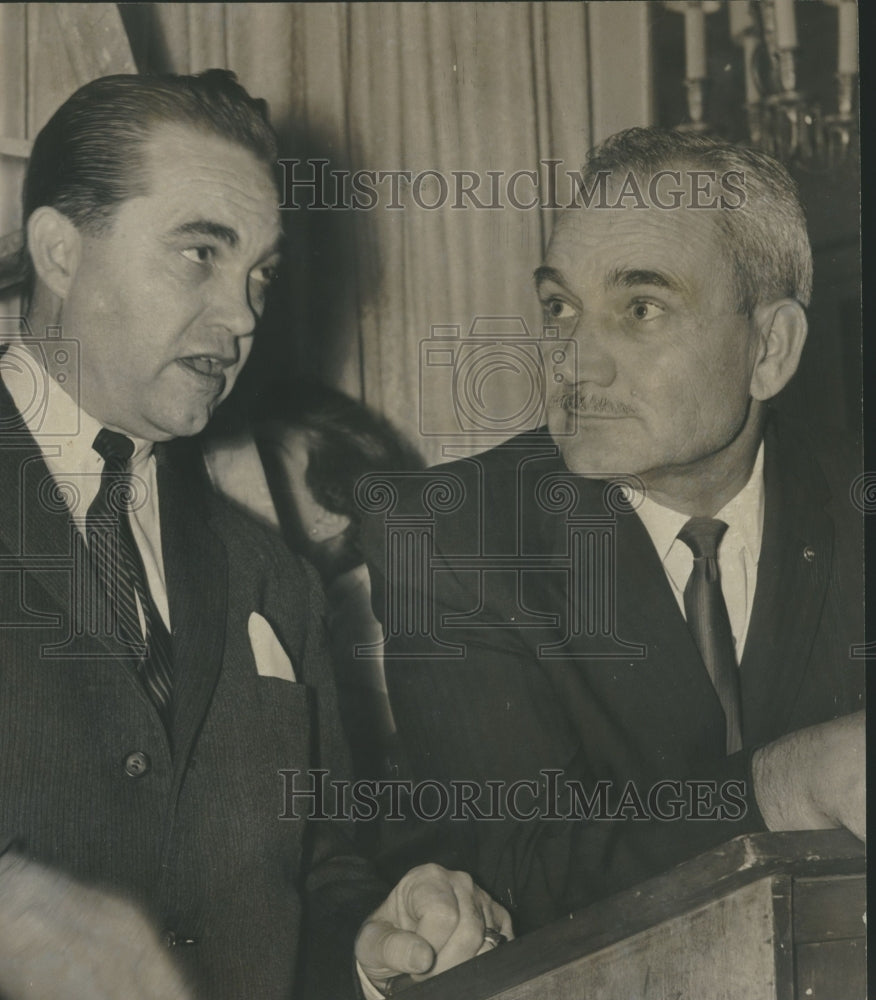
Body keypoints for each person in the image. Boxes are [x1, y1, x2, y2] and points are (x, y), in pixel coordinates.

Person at [0, 71, 511, 1000]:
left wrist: (371, 947)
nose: (241, 317)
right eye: (201, 252)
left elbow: (317, 878)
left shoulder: (273, 578)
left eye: (260, 277)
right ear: (60, 252)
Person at [361, 127, 865, 932]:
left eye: (640, 309)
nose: (573, 365)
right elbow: (521, 867)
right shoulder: (453, 537)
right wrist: (786, 786)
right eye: (561, 307)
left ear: (769, 349)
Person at [253, 381, 424, 781]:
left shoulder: (365, 603)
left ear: (331, 513)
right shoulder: (329, 594)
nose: (247, 480)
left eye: (269, 464)